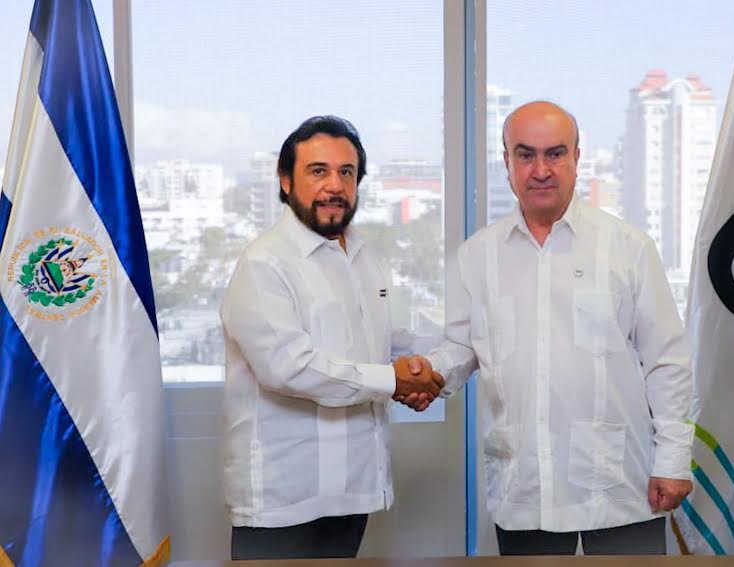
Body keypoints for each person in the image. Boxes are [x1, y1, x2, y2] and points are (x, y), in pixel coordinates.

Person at [415, 101, 693, 555]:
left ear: (577, 158)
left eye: (555, 154)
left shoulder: (628, 248)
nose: (541, 170)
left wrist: (673, 460)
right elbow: (462, 348)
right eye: (525, 155)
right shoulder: (478, 255)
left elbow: (667, 362)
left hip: (620, 485)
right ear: (507, 162)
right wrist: (426, 374)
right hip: (524, 486)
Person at [221, 115, 443, 560]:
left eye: (347, 172)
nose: (335, 186)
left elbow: (382, 341)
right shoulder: (264, 262)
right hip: (285, 498)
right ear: (286, 181)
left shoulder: (364, 255)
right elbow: (289, 368)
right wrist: (395, 380)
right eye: (318, 171)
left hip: (352, 490)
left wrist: (437, 363)